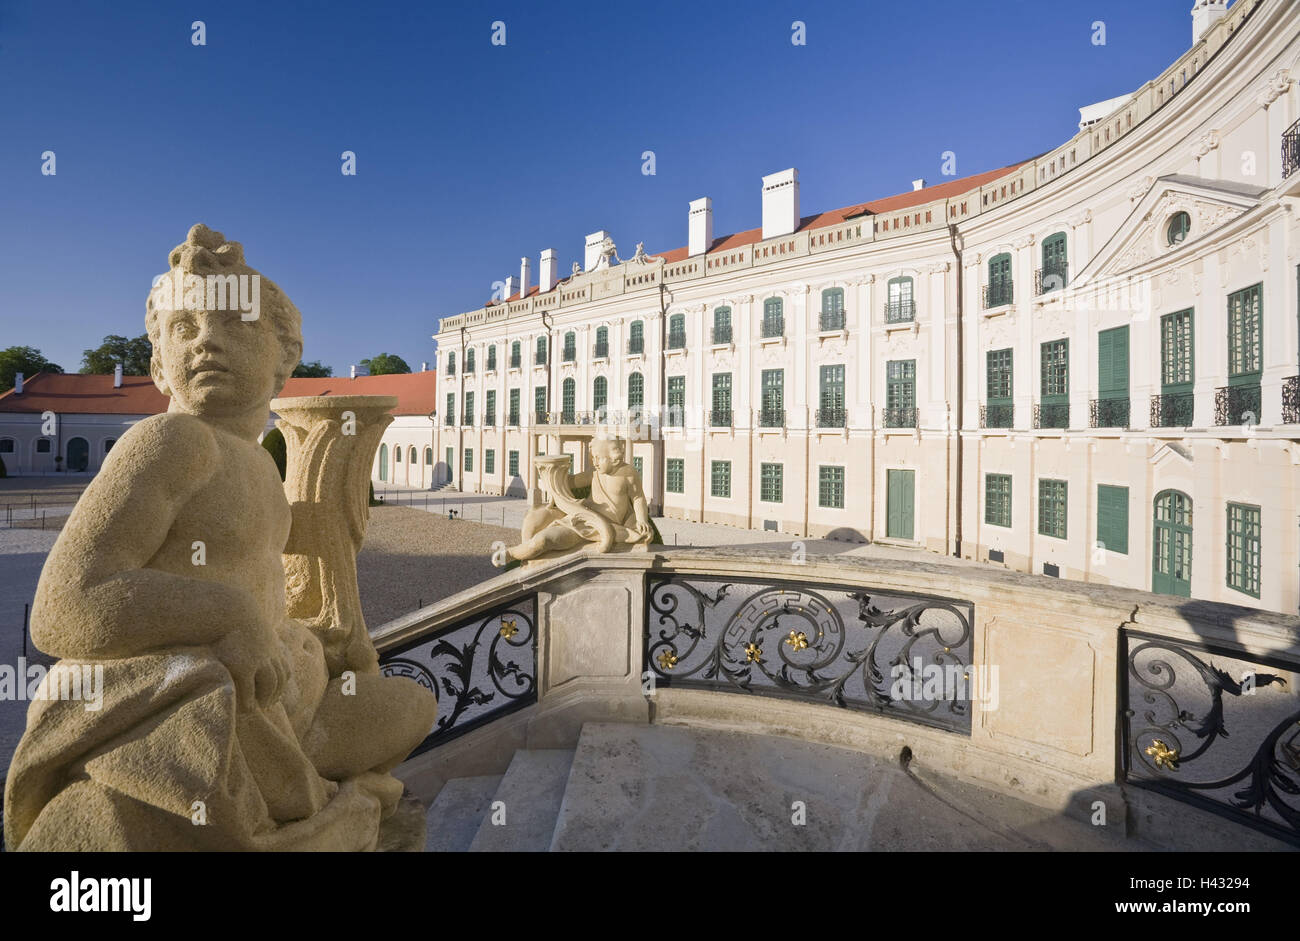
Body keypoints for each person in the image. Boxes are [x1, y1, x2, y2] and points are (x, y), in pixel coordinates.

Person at [3, 224, 435, 851]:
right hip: (189, 697)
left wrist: (300, 637)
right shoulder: (170, 442)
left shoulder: (258, 464)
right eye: (184, 327)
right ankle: (305, 802)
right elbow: (65, 607)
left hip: (277, 694)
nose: (207, 340)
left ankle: (307, 790)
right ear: (157, 363)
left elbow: (261, 581)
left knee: (409, 707)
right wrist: (227, 614)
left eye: (236, 323)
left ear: (285, 358)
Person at [506, 436, 653, 562]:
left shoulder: (628, 474)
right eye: (593, 457)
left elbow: (638, 497)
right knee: (534, 518)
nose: (594, 462)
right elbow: (570, 482)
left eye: (599, 458)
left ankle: (512, 553)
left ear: (613, 458)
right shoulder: (594, 473)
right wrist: (553, 474)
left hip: (596, 527)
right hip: (582, 517)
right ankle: (517, 554)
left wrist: (641, 519)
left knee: (543, 540)